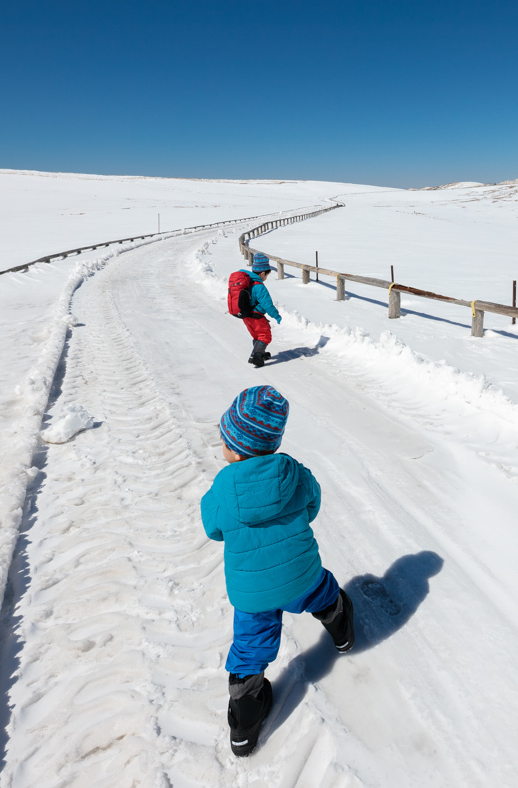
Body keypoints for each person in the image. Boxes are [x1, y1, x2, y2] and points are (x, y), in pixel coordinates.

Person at [200, 385, 354, 757]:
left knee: (250, 649)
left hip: (253, 595)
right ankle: (342, 631)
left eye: (224, 439)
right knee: (325, 594)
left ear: (235, 448)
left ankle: (244, 724)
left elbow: (213, 528)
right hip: (302, 575)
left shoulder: (222, 490)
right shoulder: (295, 474)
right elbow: (313, 504)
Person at [228, 254, 283, 368]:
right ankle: (256, 356)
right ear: (263, 273)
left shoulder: (247, 282)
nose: (266, 278)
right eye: (267, 275)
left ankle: (260, 353)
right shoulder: (259, 286)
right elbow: (267, 305)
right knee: (265, 336)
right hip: (256, 317)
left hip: (246, 316)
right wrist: (276, 316)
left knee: (257, 336)